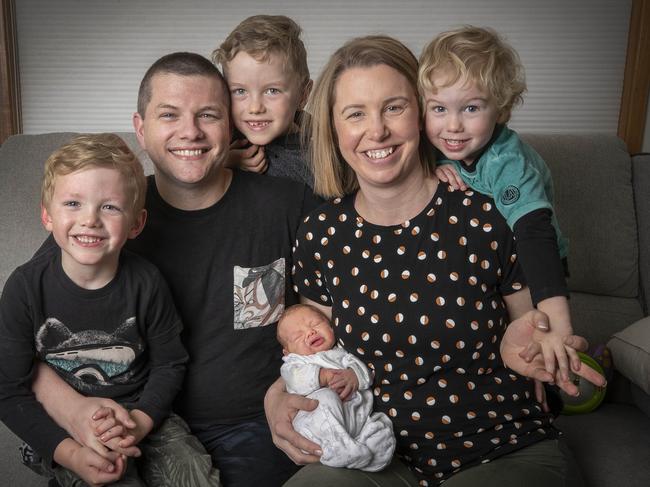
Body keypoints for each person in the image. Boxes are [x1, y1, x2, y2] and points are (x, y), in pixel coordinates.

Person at [264, 35, 606, 487]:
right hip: (374, 449)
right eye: (355, 113)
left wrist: (522, 344)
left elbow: (533, 335)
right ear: (333, 129)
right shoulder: (321, 234)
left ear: (423, 111)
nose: (377, 130)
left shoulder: (489, 214)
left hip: (499, 445)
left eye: (394, 107)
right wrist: (275, 396)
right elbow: (311, 345)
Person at [30, 52, 320, 487]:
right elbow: (20, 344)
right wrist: (75, 412)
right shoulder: (107, 220)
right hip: (132, 428)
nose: (190, 132)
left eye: (208, 115)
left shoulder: (289, 205)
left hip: (255, 426)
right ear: (141, 128)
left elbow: (334, 315)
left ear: (230, 125)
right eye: (170, 115)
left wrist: (289, 388)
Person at [0, 133, 219, 486]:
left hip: (141, 412)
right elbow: (8, 389)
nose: (90, 220)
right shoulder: (24, 289)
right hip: (61, 426)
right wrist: (68, 452)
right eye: (73, 203)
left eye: (109, 206)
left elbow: (170, 363)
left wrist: (140, 423)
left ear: (136, 223)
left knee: (195, 473)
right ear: (47, 216)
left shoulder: (147, 283)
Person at [419, 26, 575, 381]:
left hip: (534, 265)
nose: (453, 125)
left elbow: (534, 233)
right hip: (483, 271)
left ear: (501, 110)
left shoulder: (507, 162)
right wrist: (435, 170)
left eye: (471, 108)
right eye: (439, 108)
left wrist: (557, 325)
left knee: (538, 347)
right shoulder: (433, 148)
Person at [277, 304, 396, 471]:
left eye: (315, 324)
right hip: (320, 427)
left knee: (382, 426)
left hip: (357, 420)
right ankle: (337, 448)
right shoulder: (296, 362)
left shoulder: (342, 353)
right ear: (287, 352)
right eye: (298, 336)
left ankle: (370, 458)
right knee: (326, 397)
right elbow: (295, 379)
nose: (310, 332)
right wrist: (321, 375)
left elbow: (364, 372)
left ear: (331, 326)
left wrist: (354, 375)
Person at [212, 14, 313, 186]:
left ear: (303, 95)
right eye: (240, 91)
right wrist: (222, 163)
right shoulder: (222, 140)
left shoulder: (318, 157)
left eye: (272, 91)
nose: (255, 108)